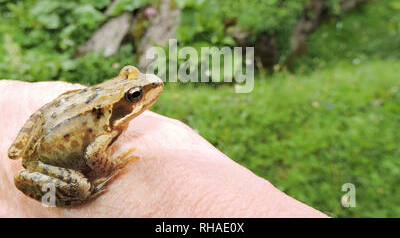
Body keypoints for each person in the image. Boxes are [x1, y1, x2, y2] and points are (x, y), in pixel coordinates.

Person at [0, 80, 327, 217]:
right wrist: (110, 170)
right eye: (134, 96)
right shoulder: (105, 129)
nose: (148, 90)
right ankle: (86, 192)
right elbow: (92, 156)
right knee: (82, 186)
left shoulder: (112, 115)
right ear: (122, 104)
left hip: (47, 128)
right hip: (45, 162)